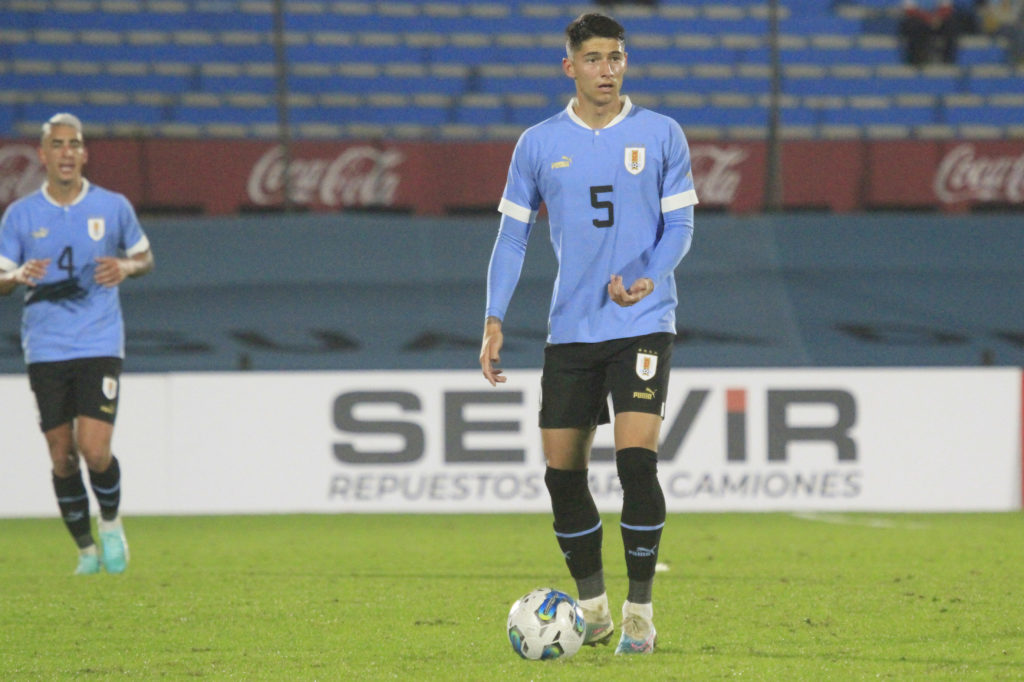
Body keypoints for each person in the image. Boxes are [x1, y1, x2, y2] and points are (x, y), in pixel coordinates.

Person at [479, 13, 697, 656]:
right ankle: (593, 610)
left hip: (642, 324)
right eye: (595, 58)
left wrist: (646, 276)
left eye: (618, 57)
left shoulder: (661, 134)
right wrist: (494, 318)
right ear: (568, 64)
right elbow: (512, 236)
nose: (608, 70)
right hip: (570, 330)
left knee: (636, 461)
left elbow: (680, 229)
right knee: (562, 476)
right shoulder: (539, 144)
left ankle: (639, 614)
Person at [0, 113, 154, 575]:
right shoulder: (21, 215)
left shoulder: (112, 207)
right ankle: (85, 549)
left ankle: (109, 523)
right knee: (62, 455)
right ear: (43, 154)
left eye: (75, 144)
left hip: (99, 340)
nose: (67, 152)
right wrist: (16, 276)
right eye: (58, 145)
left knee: (94, 450)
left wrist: (126, 268)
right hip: (46, 346)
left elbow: (145, 256)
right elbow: (0, 278)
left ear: (85, 154)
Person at [899, 0, 960, 65]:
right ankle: (917, 59)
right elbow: (910, 10)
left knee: (951, 24)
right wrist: (928, 19)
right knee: (914, 25)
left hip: (938, 20)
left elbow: (947, 8)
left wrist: (937, 18)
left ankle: (948, 59)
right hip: (919, 21)